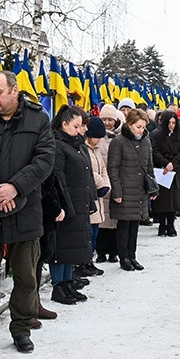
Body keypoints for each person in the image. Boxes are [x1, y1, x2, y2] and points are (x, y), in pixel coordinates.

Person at [0, 70, 54, 356]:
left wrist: (15, 188)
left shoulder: (38, 119)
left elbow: (44, 161)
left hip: (25, 211)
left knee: (26, 277)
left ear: (15, 91)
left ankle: (21, 329)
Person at [47, 106, 96, 304]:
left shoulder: (75, 144)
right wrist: (63, 205)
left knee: (72, 247)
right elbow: (58, 178)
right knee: (61, 247)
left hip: (78, 201)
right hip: (65, 205)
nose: (79, 130)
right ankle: (58, 285)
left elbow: (85, 175)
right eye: (76, 126)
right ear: (64, 124)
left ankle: (68, 282)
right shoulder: (58, 145)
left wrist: (89, 199)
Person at [107, 108, 155, 270]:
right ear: (129, 124)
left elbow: (149, 166)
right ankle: (124, 258)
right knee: (124, 225)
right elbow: (112, 168)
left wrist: (153, 188)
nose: (141, 130)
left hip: (139, 189)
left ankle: (132, 256)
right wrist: (117, 191)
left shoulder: (146, 141)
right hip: (125, 189)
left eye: (143, 127)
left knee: (135, 224)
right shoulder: (118, 141)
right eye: (138, 127)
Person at [78, 116, 110, 277]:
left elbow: (103, 169)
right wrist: (100, 183)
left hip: (98, 195)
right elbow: (88, 171)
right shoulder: (83, 149)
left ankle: (89, 261)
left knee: (95, 233)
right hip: (90, 195)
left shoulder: (97, 150)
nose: (98, 141)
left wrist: (106, 185)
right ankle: (83, 262)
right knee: (88, 233)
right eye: (96, 137)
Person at [151, 110, 180, 237]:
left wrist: (174, 163)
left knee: (174, 197)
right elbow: (154, 151)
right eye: (169, 122)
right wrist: (165, 163)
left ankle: (171, 224)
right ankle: (162, 224)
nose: (171, 125)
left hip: (175, 168)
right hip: (162, 168)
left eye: (174, 122)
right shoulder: (156, 134)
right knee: (162, 197)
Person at [94, 105, 121, 262]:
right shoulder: (98, 137)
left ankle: (113, 251)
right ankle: (101, 252)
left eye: (110, 119)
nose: (107, 123)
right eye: (104, 119)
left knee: (114, 221)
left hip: (115, 180)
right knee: (102, 221)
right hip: (102, 181)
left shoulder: (119, 137)